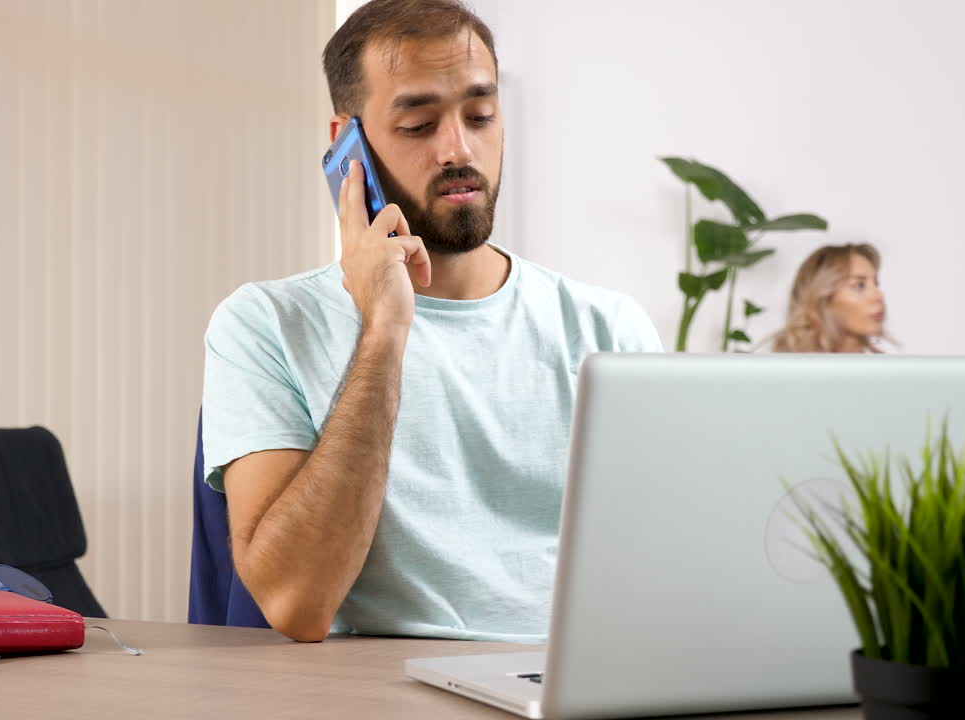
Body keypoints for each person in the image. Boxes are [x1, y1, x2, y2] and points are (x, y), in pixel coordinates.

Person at [201, 0, 663, 644]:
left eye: (481, 116)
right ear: (347, 147)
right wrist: (384, 332)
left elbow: (666, 568)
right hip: (379, 683)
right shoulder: (266, 325)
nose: (459, 149)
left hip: (570, 672)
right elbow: (295, 601)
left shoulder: (608, 328)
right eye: (419, 125)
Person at [772, 243, 888, 353]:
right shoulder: (789, 366)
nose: (878, 296)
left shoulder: (884, 366)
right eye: (859, 285)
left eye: (876, 284)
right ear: (822, 294)